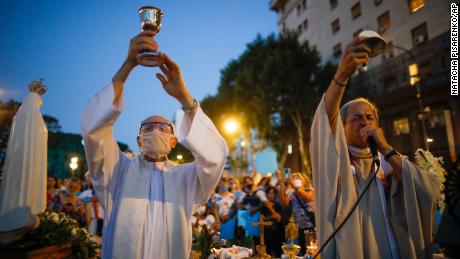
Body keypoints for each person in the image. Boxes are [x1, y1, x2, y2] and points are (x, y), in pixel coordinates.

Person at [81, 30, 228, 259]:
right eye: (148, 128)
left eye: (163, 128)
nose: (155, 131)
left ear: (173, 142)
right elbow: (94, 130)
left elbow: (216, 156)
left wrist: (185, 98)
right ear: (139, 141)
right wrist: (128, 65)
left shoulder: (187, 177)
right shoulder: (118, 170)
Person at [310, 37, 439, 259]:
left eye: (370, 117)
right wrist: (342, 74)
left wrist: (386, 148)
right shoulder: (336, 161)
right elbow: (325, 117)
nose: (365, 122)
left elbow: (428, 192)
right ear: (342, 126)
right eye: (357, 118)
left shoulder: (389, 159)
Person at [279, 172, 315, 255]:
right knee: (303, 251)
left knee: (312, 251)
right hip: (300, 227)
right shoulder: (292, 193)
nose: (294, 179)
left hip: (311, 226)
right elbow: (285, 202)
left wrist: (294, 186)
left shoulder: (309, 190)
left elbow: (308, 197)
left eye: (297, 177)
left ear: (303, 180)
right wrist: (282, 185)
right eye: (292, 178)